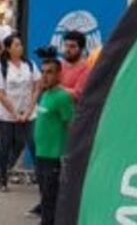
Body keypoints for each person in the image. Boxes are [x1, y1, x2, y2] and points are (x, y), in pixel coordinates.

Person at [0, 33, 39, 193]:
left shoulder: (30, 65)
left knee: (25, 142)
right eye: (16, 45)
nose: (20, 48)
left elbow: (37, 87)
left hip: (28, 112)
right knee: (5, 144)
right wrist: (14, 113)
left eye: (21, 44)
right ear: (8, 49)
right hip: (6, 114)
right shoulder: (2, 67)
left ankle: (13, 168)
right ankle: (2, 177)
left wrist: (29, 110)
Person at [34, 58, 75, 225]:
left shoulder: (63, 97)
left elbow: (72, 126)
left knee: (51, 202)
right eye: (43, 72)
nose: (45, 76)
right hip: (41, 156)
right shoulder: (45, 94)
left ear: (59, 74)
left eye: (49, 72)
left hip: (54, 158)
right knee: (45, 198)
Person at [59, 30, 92, 101]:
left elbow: (77, 95)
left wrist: (55, 88)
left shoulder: (86, 70)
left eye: (72, 46)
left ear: (81, 49)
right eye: (66, 45)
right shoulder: (59, 66)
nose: (67, 49)